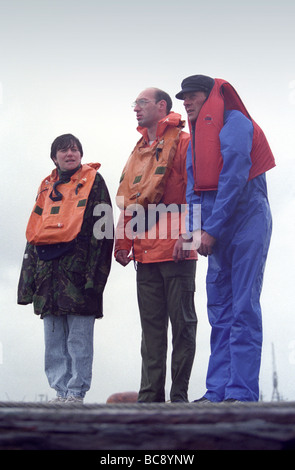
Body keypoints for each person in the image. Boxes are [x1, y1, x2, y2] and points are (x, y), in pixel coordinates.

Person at [174, 75, 275, 403]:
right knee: (218, 308)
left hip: (248, 219)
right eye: (183, 98)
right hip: (216, 225)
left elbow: (234, 178)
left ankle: (242, 392)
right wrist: (193, 233)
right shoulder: (194, 139)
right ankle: (217, 391)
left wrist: (211, 230)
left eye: (191, 96)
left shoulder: (235, 124)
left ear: (208, 95)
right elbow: (193, 189)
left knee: (243, 305)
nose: (186, 102)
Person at [115, 88, 197, 403]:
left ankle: (178, 398)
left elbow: (196, 192)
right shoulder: (138, 151)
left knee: (183, 325)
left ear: (162, 106)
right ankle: (150, 400)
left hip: (177, 249)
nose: (135, 108)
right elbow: (129, 199)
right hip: (145, 253)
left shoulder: (185, 143)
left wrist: (189, 235)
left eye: (142, 103)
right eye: (134, 103)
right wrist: (123, 240)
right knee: (150, 332)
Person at [17, 134, 113, 403]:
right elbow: (33, 233)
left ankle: (76, 393)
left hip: (80, 274)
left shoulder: (94, 182)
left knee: (79, 339)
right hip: (47, 276)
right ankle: (60, 392)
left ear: (81, 155)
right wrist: (28, 282)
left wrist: (96, 274)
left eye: (74, 150)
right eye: (63, 150)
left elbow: (104, 229)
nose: (70, 154)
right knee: (54, 341)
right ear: (54, 157)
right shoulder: (46, 187)